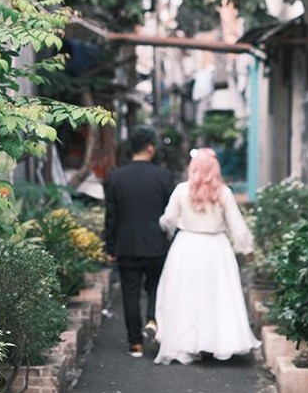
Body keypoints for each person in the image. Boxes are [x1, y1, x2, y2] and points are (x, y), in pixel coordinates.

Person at [153, 147, 261, 365]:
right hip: (216, 248)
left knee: (185, 296)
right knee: (216, 296)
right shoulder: (224, 193)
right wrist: (247, 249)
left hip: (186, 246)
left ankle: (187, 343)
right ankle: (215, 342)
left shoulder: (182, 190)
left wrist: (167, 230)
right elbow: (237, 227)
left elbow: (168, 219)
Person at [104, 125, 174, 358]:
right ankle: (153, 319)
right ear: (150, 148)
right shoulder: (163, 177)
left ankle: (135, 343)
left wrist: (110, 247)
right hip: (157, 244)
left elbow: (111, 216)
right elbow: (170, 214)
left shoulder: (115, 177)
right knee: (155, 286)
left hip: (127, 245)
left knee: (130, 293)